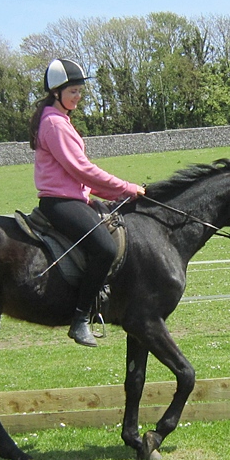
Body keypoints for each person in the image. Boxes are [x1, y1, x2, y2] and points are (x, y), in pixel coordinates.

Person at [29, 58, 145, 347]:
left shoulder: (61, 120)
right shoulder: (54, 124)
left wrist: (116, 194)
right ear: (56, 92)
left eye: (80, 91)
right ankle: (80, 318)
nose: (78, 96)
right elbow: (81, 169)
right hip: (60, 203)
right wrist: (125, 188)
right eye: (73, 91)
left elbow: (80, 177)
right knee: (105, 248)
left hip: (74, 199)